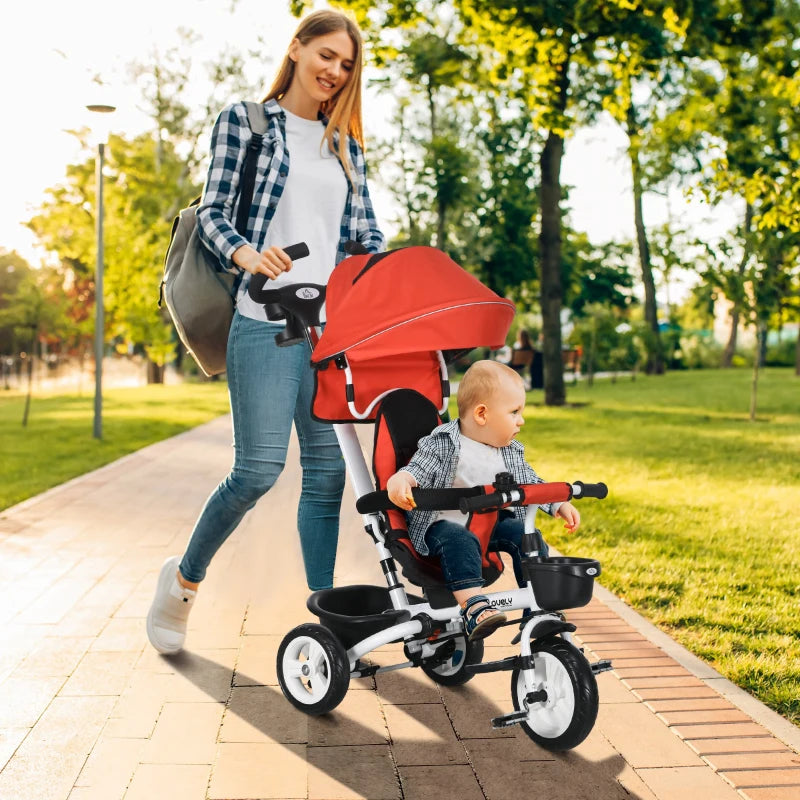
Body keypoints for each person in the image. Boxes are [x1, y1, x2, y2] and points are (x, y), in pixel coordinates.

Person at [147, 9, 385, 655]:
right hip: (262, 320)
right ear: (297, 48)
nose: (335, 71)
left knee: (328, 476)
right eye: (327, 55)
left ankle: (328, 620)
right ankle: (183, 584)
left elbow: (366, 236)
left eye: (347, 64)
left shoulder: (346, 147)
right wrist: (247, 254)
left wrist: (381, 276)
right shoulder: (246, 124)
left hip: (329, 331)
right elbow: (215, 210)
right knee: (255, 471)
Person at [386, 360, 580, 640]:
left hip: (490, 522)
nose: (521, 420)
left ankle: (538, 608)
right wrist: (401, 480)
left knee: (526, 534)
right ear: (481, 414)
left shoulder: (509, 451)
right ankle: (473, 606)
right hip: (442, 525)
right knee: (458, 539)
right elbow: (417, 469)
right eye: (514, 412)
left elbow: (530, 483)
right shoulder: (443, 443)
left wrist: (557, 503)